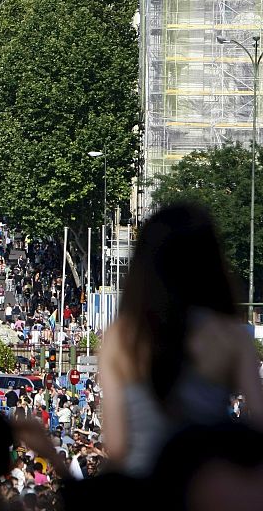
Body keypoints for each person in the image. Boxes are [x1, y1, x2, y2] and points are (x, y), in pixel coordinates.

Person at [100, 203, 263, 477]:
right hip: (207, 486)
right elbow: (258, 419)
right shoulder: (229, 335)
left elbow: (117, 445)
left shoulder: (121, 338)